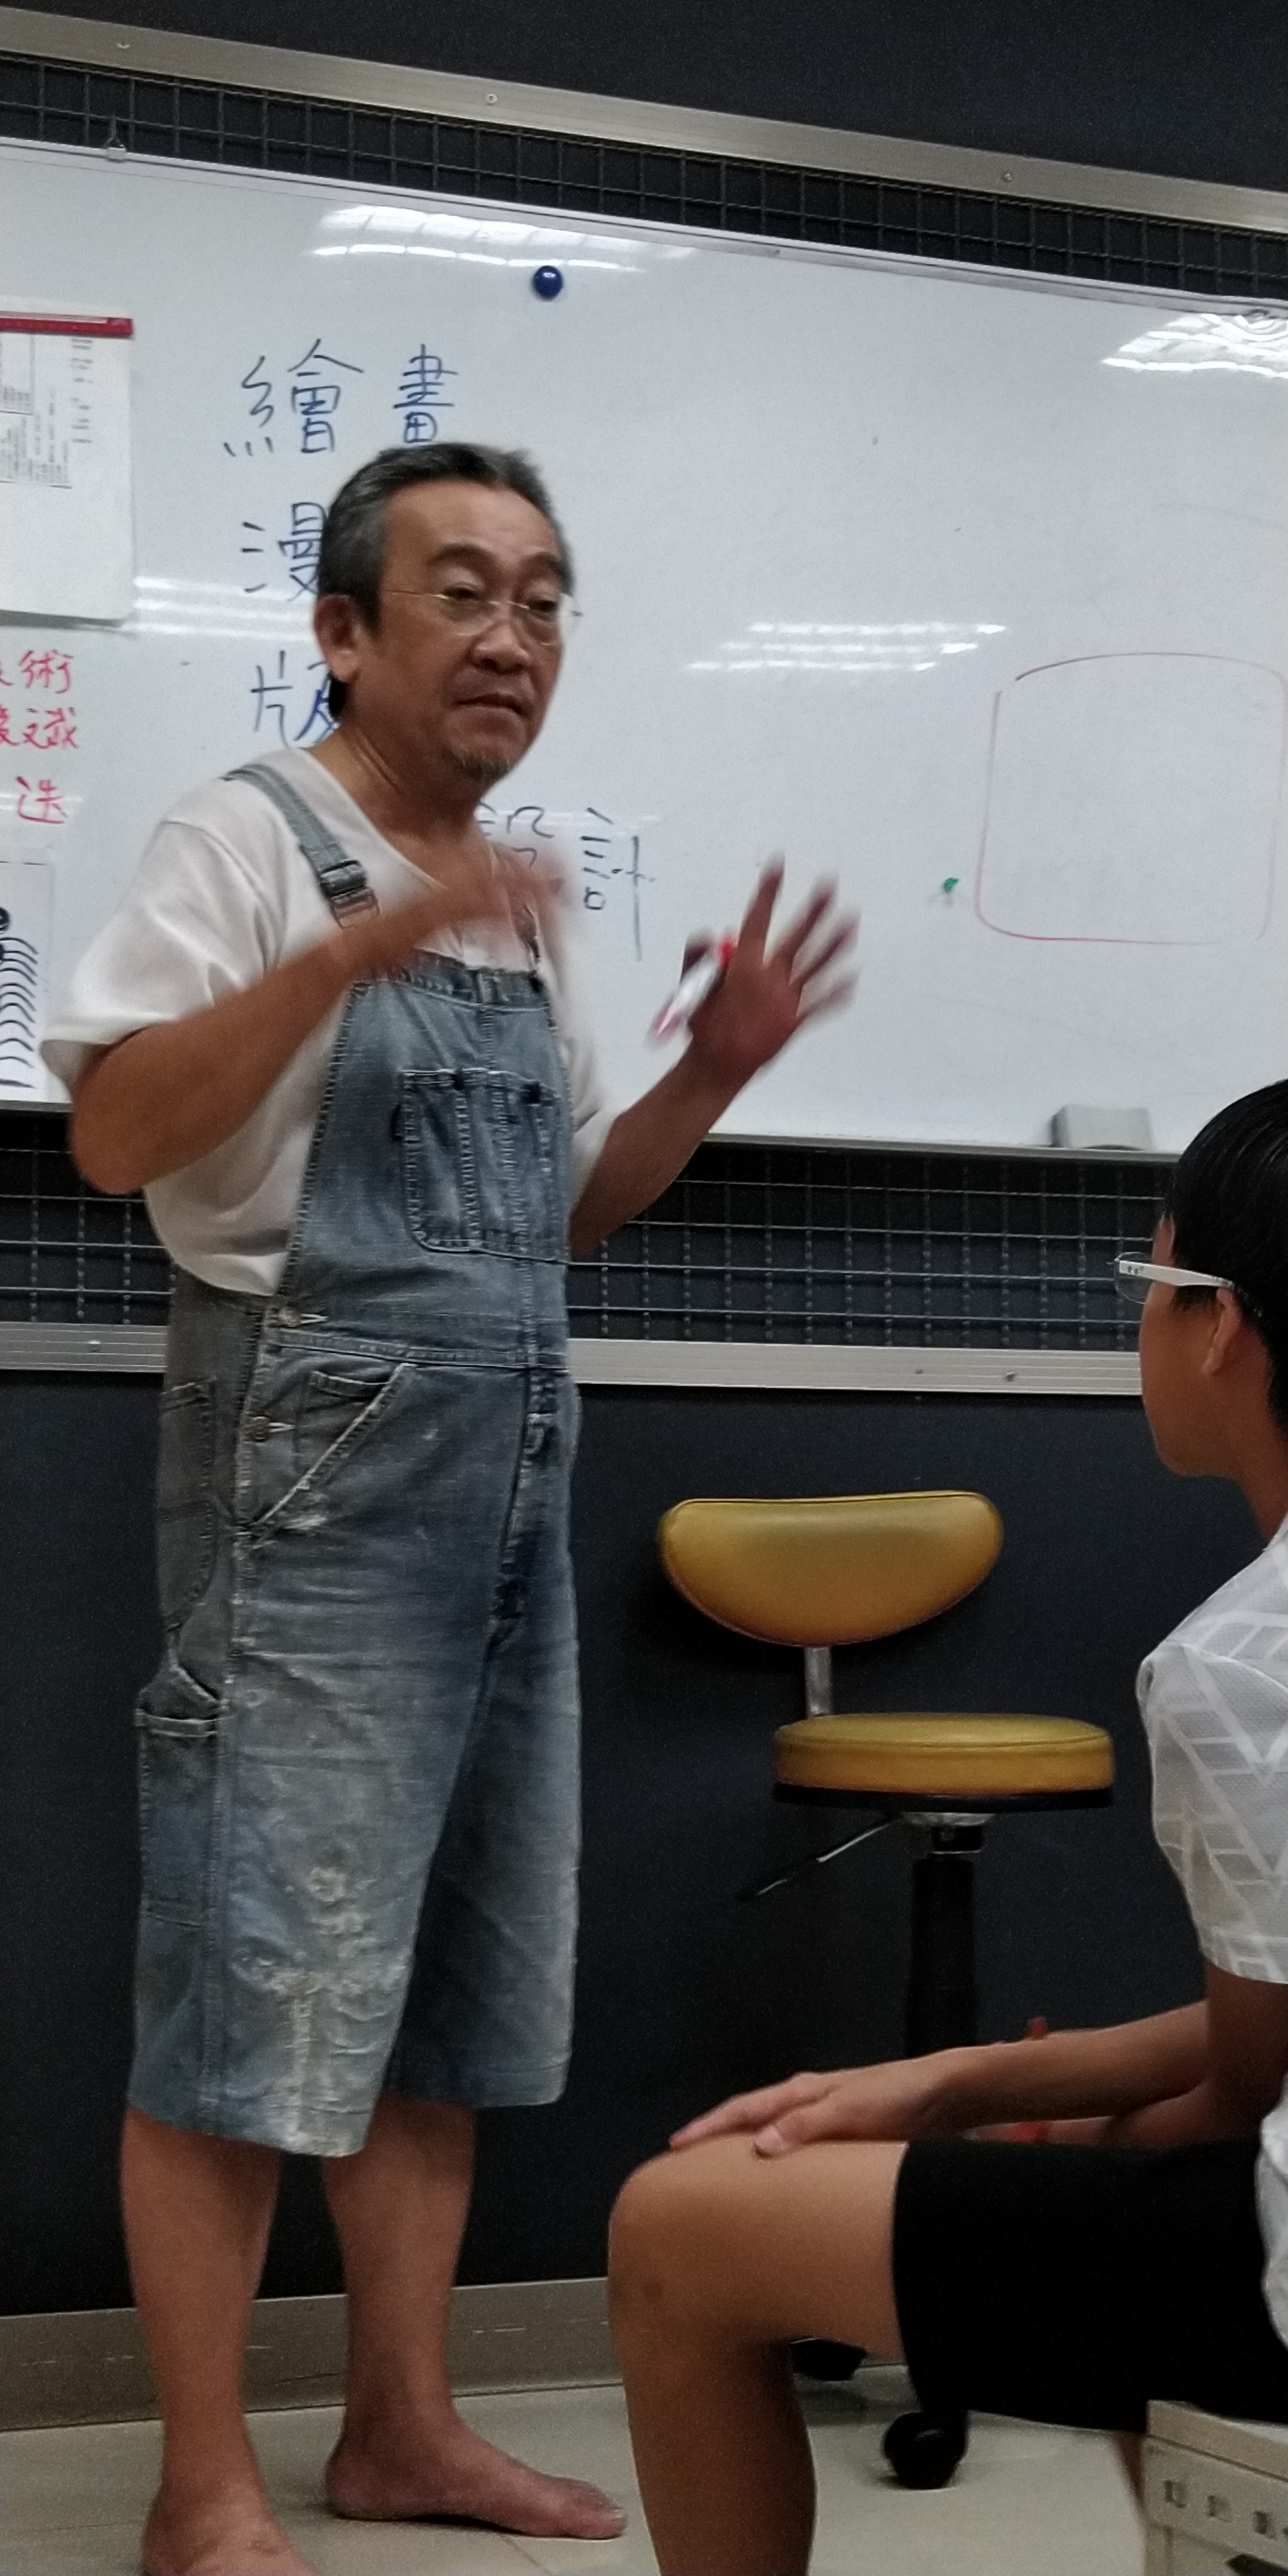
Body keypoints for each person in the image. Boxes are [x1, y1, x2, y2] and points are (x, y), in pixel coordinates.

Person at [44, 441, 854, 2576]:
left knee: (437, 1998)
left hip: (499, 1501)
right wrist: (354, 951)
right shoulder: (246, 837)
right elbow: (116, 1132)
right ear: (341, 629)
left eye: (546, 600)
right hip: (305, 1497)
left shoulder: (503, 885)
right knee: (246, 1988)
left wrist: (712, 1070)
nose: (514, 637)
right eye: (465, 592)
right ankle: (201, 2483)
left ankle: (401, 2425)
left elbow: (562, 1214)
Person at [609, 1078, 1288, 2576]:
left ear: (1223, 1325)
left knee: (673, 2228)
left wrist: (1017, 2119)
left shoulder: (1241, 1664)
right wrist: (967, 2083)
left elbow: (1248, 2084)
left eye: (1148, 1282)